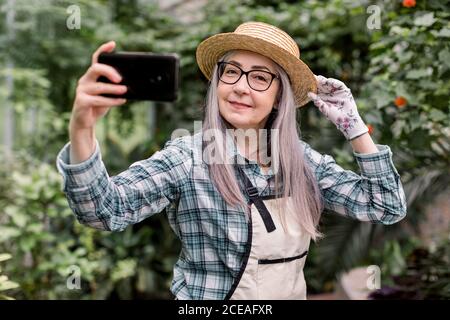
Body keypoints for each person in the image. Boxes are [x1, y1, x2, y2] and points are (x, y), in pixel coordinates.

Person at [56, 21, 407, 300]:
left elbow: (385, 206)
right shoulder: (187, 157)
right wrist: (82, 128)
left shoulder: (301, 161)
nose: (241, 86)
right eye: (232, 71)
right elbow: (103, 210)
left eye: (259, 77)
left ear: (278, 97)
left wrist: (354, 127)